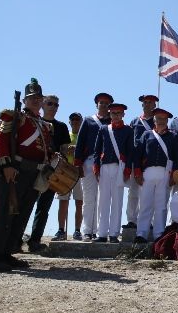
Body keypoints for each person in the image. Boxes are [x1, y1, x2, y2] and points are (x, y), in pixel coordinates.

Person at [0, 78, 52, 272]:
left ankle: (7, 252)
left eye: (39, 98)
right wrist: (6, 165)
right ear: (24, 100)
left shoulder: (43, 125)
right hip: (14, 170)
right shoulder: (13, 116)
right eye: (32, 98)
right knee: (4, 212)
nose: (36, 101)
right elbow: (1, 140)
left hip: (33, 173)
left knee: (21, 213)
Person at [27, 94, 71, 251]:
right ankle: (15, 240)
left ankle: (34, 241)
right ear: (43, 104)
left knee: (43, 207)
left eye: (56, 105)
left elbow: (65, 150)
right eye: (50, 103)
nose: (53, 107)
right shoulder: (33, 121)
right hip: (31, 168)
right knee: (26, 205)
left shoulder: (62, 127)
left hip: (51, 171)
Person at [133, 107, 177, 244]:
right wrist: (138, 172)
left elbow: (177, 157)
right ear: (154, 120)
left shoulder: (173, 137)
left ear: (167, 120)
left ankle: (159, 234)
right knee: (145, 204)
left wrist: (173, 175)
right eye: (158, 118)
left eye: (164, 119)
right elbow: (137, 155)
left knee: (161, 205)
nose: (161, 121)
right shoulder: (147, 135)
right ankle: (141, 233)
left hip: (165, 172)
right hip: (148, 172)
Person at [92, 103, 133, 243]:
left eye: (118, 113)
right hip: (104, 167)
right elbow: (97, 150)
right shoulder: (104, 129)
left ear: (123, 114)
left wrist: (127, 170)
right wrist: (96, 168)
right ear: (110, 114)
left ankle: (114, 233)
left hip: (119, 167)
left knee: (117, 201)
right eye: (113, 113)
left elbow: (129, 152)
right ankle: (101, 234)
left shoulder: (128, 130)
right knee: (102, 201)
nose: (116, 115)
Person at [74, 92, 113, 240]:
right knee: (89, 198)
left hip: (106, 163)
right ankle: (87, 230)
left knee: (103, 199)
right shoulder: (88, 120)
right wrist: (78, 164)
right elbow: (80, 143)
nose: (103, 105)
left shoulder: (112, 122)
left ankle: (100, 231)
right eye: (101, 102)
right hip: (89, 161)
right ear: (97, 104)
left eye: (106, 103)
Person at [125, 94, 158, 230]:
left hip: (150, 161)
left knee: (149, 194)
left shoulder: (157, 122)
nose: (147, 105)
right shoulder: (135, 122)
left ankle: (147, 220)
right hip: (135, 160)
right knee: (133, 192)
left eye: (150, 102)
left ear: (154, 105)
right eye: (145, 102)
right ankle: (132, 220)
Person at [53, 112, 84, 241]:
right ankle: (61, 230)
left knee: (79, 203)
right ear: (69, 122)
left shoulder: (84, 136)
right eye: (73, 119)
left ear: (81, 121)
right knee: (63, 201)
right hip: (65, 171)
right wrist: (66, 150)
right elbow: (59, 150)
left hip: (79, 172)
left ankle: (77, 230)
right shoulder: (66, 135)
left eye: (78, 119)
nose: (75, 121)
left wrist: (77, 150)